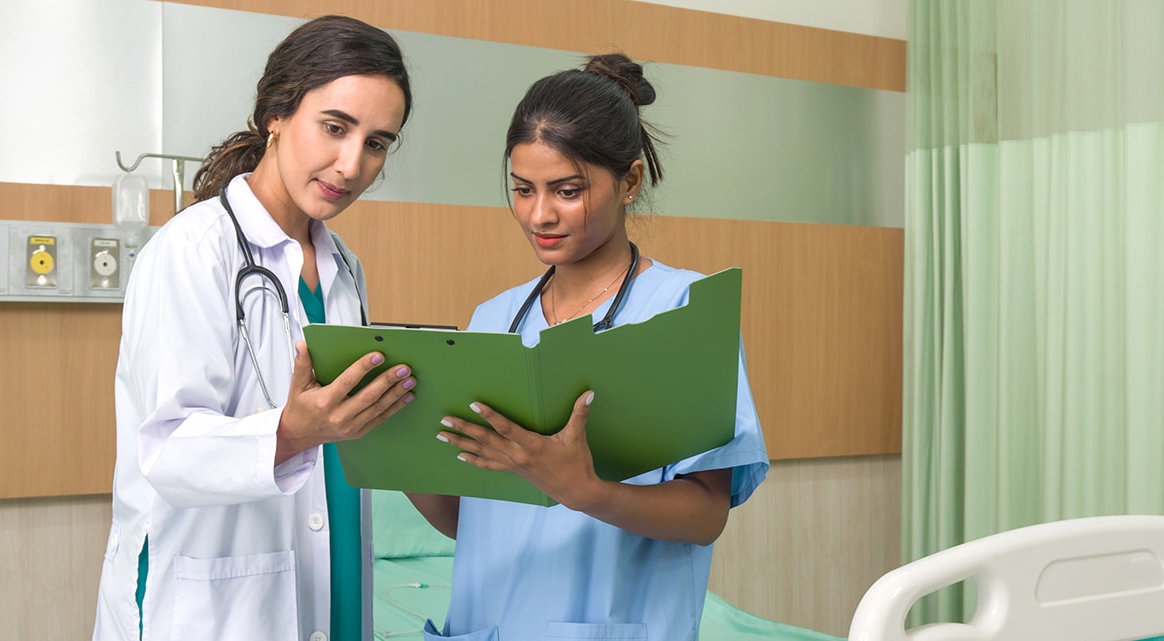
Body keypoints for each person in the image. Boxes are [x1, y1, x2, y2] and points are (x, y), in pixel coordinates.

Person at [407, 53, 769, 641]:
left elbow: (706, 515)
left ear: (629, 181)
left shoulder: (684, 310)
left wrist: (583, 490)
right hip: (484, 625)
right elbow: (469, 523)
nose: (539, 214)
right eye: (522, 190)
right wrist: (400, 447)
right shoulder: (493, 319)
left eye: (567, 190)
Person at [92, 15, 418, 641]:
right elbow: (167, 449)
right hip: (215, 601)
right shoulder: (193, 250)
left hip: (332, 578)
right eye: (334, 127)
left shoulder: (344, 266)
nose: (351, 165)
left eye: (376, 143)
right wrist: (294, 430)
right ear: (276, 112)